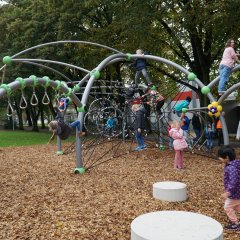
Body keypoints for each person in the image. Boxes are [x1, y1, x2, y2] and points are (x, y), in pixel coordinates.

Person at [218, 145, 240, 231]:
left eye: (220, 157)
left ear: (226, 157)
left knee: (227, 207)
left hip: (235, 193)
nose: (219, 159)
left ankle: (235, 223)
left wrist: (228, 192)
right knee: (237, 206)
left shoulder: (231, 168)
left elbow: (234, 182)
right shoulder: (235, 164)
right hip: (238, 192)